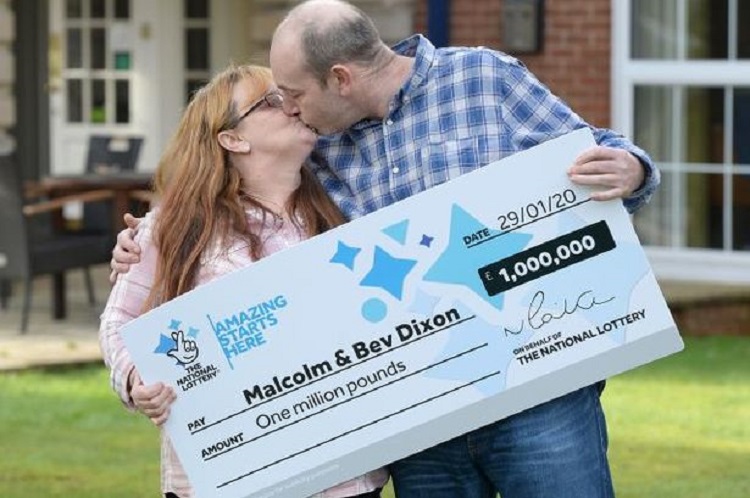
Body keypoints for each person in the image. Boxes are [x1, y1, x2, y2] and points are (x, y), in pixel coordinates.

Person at [111, 1, 661, 497]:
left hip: (537, 393)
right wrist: (144, 243)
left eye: (294, 94)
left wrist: (632, 170)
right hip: (419, 411)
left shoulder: (485, 78)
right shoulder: (318, 145)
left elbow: (597, 151)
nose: (293, 110)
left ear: (340, 78)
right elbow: (235, 186)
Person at [98, 63, 388, 498]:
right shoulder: (175, 227)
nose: (292, 106)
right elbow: (119, 321)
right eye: (272, 101)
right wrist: (139, 379)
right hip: (226, 475)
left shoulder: (347, 208)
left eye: (292, 94)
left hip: (341, 478)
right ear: (232, 139)